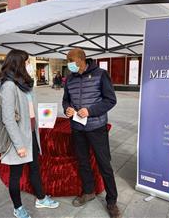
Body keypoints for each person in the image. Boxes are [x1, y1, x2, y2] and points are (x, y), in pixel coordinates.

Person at [0, 49, 59, 218]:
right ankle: (18, 208)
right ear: (18, 63)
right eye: (26, 62)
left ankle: (41, 198)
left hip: (30, 133)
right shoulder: (9, 85)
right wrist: (19, 146)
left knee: (34, 168)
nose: (29, 64)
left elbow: (31, 109)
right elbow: (8, 119)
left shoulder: (24, 82)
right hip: (17, 136)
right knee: (16, 175)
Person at [62, 48, 121, 218]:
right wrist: (67, 109)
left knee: (104, 164)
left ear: (82, 59)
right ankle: (88, 192)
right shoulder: (70, 79)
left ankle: (112, 201)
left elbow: (110, 100)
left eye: (71, 60)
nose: (69, 64)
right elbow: (66, 100)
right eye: (67, 60)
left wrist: (90, 111)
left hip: (96, 127)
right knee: (83, 162)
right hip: (77, 128)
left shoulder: (101, 74)